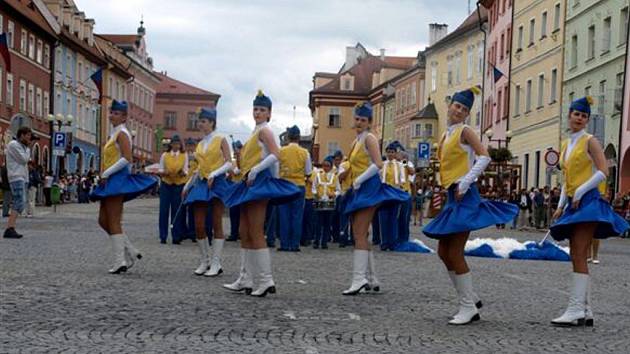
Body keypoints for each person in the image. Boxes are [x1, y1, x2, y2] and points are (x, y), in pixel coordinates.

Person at [422, 88, 518, 325]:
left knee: (454, 252)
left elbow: (484, 156)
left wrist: (465, 182)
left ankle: (468, 307)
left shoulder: (466, 131)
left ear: (467, 114)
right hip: (452, 196)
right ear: (450, 105)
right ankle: (470, 298)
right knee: (443, 252)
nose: (459, 111)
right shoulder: (446, 135)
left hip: (464, 195)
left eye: (464, 109)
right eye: (457, 106)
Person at [549, 96, 629, 327]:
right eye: (577, 114)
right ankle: (585, 309)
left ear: (586, 119)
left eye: (584, 116)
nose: (580, 118)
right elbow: (566, 178)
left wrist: (582, 191)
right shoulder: (566, 144)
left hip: (588, 201)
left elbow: (603, 171)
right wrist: (560, 205)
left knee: (578, 252)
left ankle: (575, 310)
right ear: (570, 115)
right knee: (578, 253)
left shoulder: (590, 141)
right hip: (574, 201)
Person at [223, 91, 300, 297]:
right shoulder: (255, 132)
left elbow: (276, 154)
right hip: (250, 183)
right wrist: (240, 170)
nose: (258, 112)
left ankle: (266, 280)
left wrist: (257, 170)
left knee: (255, 231)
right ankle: (245, 278)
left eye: (262, 110)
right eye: (256, 109)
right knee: (244, 230)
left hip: (260, 183)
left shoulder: (265, 131)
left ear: (269, 113)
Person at [341, 101, 410, 295]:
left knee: (359, 233)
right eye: (357, 119)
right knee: (361, 233)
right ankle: (371, 278)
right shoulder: (355, 141)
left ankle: (359, 279)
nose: (359, 122)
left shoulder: (369, 138)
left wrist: (360, 179)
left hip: (368, 188)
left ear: (369, 122)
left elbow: (378, 164)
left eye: (363, 120)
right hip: (359, 188)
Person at [90, 100, 158, 273]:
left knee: (113, 220)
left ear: (124, 117)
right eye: (111, 112)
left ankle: (120, 260)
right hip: (110, 178)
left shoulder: (122, 134)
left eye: (116, 113)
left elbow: (127, 158)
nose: (112, 115)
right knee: (103, 220)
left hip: (117, 178)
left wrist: (106, 173)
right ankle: (130, 250)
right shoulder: (114, 134)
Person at [181, 107, 232, 277]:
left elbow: (229, 163)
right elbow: (198, 169)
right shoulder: (200, 144)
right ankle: (205, 260)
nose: (200, 124)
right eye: (199, 121)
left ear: (212, 122)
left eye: (203, 121)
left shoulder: (221, 139)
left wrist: (215, 174)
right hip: (202, 184)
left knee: (217, 223)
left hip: (217, 183)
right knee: (199, 225)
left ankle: (216, 263)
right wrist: (187, 185)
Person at [277, 125, 312, 251]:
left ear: (288, 137)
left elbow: (276, 170)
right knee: (297, 216)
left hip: (284, 185)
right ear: (299, 138)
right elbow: (308, 171)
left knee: (284, 215)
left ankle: (284, 244)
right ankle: (295, 244)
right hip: (298, 186)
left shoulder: (281, 151)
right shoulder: (305, 153)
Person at [3, 127, 34, 239]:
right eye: (28, 136)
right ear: (22, 135)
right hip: (16, 177)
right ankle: (9, 228)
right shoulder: (14, 145)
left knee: (20, 202)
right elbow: (23, 160)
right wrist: (29, 148)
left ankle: (11, 227)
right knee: (19, 201)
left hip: (22, 177)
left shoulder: (22, 147)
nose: (29, 138)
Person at [157, 135, 189, 245]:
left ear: (180, 145)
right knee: (164, 210)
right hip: (166, 184)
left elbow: (186, 169)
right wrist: (163, 172)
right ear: (171, 145)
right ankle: (163, 236)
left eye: (178, 144)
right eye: (174, 144)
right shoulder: (164, 155)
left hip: (178, 184)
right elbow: (160, 168)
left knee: (177, 211)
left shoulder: (184, 155)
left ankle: (176, 236)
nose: (176, 146)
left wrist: (182, 173)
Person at [378, 142, 404, 251]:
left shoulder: (400, 165)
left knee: (393, 218)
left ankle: (392, 242)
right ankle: (384, 242)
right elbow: (379, 178)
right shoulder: (382, 165)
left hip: (395, 192)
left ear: (395, 153)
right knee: (383, 218)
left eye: (392, 152)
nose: (390, 154)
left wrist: (399, 187)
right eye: (388, 152)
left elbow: (402, 179)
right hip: (384, 192)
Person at [312, 156, 339, 249]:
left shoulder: (335, 177)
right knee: (318, 222)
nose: (325, 167)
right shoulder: (318, 175)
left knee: (327, 223)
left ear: (331, 166)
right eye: (324, 165)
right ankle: (316, 241)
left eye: (327, 165)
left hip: (329, 201)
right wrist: (315, 194)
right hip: (319, 201)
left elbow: (338, 190)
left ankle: (324, 242)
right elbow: (314, 187)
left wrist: (334, 194)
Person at [226, 140, 243, 242]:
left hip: (241, 187)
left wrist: (232, 171)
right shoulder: (233, 162)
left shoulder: (244, 160)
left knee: (242, 212)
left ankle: (241, 233)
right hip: (233, 187)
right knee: (233, 212)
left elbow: (238, 171)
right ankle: (234, 233)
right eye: (234, 149)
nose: (235, 151)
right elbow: (230, 175)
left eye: (237, 149)